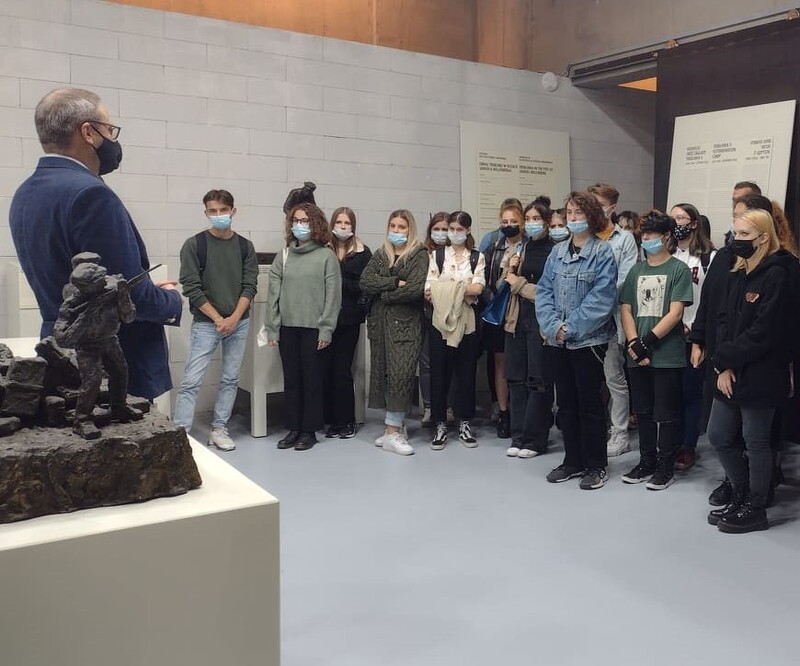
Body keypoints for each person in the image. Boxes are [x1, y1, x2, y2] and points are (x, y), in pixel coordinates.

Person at [9, 87, 182, 400]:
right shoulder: (91, 195)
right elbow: (124, 297)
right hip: (109, 360)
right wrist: (171, 300)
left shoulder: (25, 193)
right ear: (88, 132)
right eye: (109, 129)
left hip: (60, 350)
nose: (113, 140)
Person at [705, 208, 795, 533]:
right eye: (735, 233)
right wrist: (722, 363)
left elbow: (764, 332)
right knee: (718, 434)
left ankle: (756, 507)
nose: (736, 240)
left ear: (763, 238)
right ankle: (740, 491)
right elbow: (723, 320)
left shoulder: (779, 274)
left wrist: (726, 359)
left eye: (744, 235)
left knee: (755, 440)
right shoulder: (737, 271)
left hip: (762, 371)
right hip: (729, 369)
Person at [536, 191, 618, 490]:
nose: (572, 218)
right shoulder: (556, 253)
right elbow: (544, 292)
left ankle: (595, 465)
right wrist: (553, 326)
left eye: (579, 213)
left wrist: (570, 328)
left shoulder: (602, 252)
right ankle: (573, 460)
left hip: (588, 341)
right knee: (566, 404)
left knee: (589, 404)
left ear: (592, 216)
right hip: (557, 341)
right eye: (569, 212)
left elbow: (602, 299)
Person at [173, 190, 258, 452]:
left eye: (223, 210)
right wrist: (219, 318)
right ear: (206, 212)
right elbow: (191, 287)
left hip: (238, 322)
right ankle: (181, 433)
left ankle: (219, 428)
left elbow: (249, 286)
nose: (218, 215)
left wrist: (233, 318)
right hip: (206, 323)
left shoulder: (245, 246)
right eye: (213, 210)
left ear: (233, 211)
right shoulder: (194, 245)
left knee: (230, 378)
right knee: (191, 380)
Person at [619, 211, 693, 490]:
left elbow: (676, 313)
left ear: (665, 236)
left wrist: (647, 341)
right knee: (644, 411)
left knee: (667, 412)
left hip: (666, 354)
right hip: (636, 353)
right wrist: (633, 342)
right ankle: (646, 460)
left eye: (651, 234)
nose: (645, 238)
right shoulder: (636, 271)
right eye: (643, 234)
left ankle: (665, 465)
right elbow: (626, 308)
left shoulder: (678, 270)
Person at [264, 202, 342, 451]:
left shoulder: (327, 256)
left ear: (316, 224)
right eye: (296, 221)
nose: (300, 225)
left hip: (314, 329)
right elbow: (273, 294)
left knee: (312, 380)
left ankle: (309, 430)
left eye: (305, 221)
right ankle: (293, 428)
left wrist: (326, 329)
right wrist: (272, 327)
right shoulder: (284, 255)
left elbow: (333, 296)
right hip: (288, 328)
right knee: (292, 380)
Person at [360, 210, 428, 456]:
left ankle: (392, 432)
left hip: (406, 324)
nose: (397, 231)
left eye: (402, 227)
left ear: (410, 230)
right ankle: (394, 427)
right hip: (380, 325)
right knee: (385, 374)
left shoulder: (418, 254)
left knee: (402, 374)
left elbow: (415, 288)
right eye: (393, 226)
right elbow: (366, 281)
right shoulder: (381, 253)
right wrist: (393, 283)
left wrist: (385, 294)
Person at [54, 260, 142, 439]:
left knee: (120, 372)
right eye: (99, 281)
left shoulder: (113, 290)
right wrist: (86, 316)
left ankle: (119, 407)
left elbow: (129, 318)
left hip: (110, 341)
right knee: (92, 380)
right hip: (87, 347)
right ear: (86, 288)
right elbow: (62, 339)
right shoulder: (71, 304)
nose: (105, 281)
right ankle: (82, 420)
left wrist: (124, 296)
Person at [425, 211, 485, 450]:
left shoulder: (476, 257)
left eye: (460, 229)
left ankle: (465, 422)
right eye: (452, 228)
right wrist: (462, 289)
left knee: (466, 374)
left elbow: (478, 288)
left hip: (467, 323)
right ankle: (439, 423)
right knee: (439, 374)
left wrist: (448, 287)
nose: (454, 233)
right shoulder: (437, 255)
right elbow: (429, 291)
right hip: (440, 322)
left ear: (468, 230)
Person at [502, 196, 555, 458]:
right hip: (516, 318)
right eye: (529, 219)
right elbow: (506, 283)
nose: (532, 224)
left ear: (547, 222)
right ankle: (518, 435)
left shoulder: (555, 250)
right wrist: (509, 269)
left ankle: (535, 439)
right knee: (515, 378)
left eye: (537, 219)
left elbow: (549, 292)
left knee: (538, 380)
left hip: (541, 320)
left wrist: (519, 284)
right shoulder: (521, 249)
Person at [588, 183, 638, 458]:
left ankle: (619, 433)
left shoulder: (624, 239)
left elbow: (625, 279)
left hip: (611, 318)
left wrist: (594, 299)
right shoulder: (584, 235)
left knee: (614, 378)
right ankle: (592, 428)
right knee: (587, 379)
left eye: (600, 203)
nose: (596, 209)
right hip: (583, 320)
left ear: (612, 207)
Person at [668, 202, 715, 471]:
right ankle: (670, 442)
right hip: (667, 332)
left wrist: (697, 330)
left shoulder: (708, 257)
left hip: (693, 332)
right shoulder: (666, 253)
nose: (676, 223)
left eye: (681, 218)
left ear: (694, 223)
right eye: (672, 218)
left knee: (691, 392)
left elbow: (711, 299)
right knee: (669, 392)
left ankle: (688, 445)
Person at [321, 207, 372, 440]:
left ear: (353, 226)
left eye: (347, 223)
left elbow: (366, 286)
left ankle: (347, 421)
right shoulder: (323, 248)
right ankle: (331, 419)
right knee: (327, 370)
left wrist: (341, 281)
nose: (342, 226)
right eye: (339, 222)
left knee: (342, 370)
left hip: (349, 319)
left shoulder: (363, 252)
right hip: (325, 319)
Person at [483, 199, 525, 437]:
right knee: (500, 364)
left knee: (520, 364)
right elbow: (486, 279)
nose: (509, 225)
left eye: (514, 221)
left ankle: (521, 412)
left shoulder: (529, 246)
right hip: (499, 311)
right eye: (504, 221)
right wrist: (493, 300)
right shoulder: (494, 247)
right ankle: (503, 411)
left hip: (522, 311)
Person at [418, 212, 452, 427]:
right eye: (436, 228)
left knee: (449, 364)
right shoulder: (422, 253)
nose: (440, 233)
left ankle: (448, 406)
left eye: (445, 229)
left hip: (451, 315)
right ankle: (430, 407)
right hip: (426, 314)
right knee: (427, 363)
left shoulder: (458, 253)